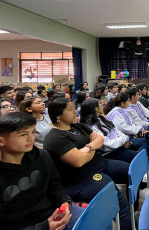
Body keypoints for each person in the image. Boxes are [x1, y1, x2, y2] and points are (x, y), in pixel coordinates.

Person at [0, 113, 85, 230]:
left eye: (33, 132)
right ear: (0, 141)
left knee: (98, 221)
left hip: (53, 213)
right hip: (23, 225)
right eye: (23, 134)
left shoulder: (41, 156)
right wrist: (45, 227)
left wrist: (63, 201)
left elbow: (54, 185)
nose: (31, 138)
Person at [44, 98, 135, 229]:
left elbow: (100, 139)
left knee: (130, 172)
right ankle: (128, 223)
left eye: (74, 108)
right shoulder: (54, 138)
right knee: (120, 203)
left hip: (100, 162)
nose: (75, 112)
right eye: (70, 109)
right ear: (58, 115)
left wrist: (87, 149)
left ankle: (134, 209)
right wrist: (92, 147)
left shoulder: (77, 126)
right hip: (81, 179)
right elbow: (78, 162)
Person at [80, 99, 149, 163]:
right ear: (96, 109)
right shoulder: (92, 128)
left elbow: (115, 130)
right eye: (100, 104)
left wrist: (124, 140)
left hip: (119, 144)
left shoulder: (101, 119)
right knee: (138, 157)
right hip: (110, 152)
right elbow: (109, 145)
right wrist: (124, 139)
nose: (102, 106)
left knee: (143, 142)